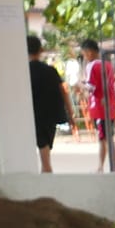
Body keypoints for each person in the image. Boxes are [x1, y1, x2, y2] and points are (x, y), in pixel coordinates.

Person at [25, 35, 72, 174]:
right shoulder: (51, 70)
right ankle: (46, 173)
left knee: (43, 152)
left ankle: (47, 174)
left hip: (33, 116)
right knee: (45, 151)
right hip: (50, 116)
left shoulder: (23, 71)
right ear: (41, 50)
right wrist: (70, 112)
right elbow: (63, 91)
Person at [80, 38, 115, 173]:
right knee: (108, 137)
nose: (84, 57)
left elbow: (91, 87)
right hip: (110, 105)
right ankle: (112, 165)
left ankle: (102, 166)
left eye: (84, 54)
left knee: (103, 139)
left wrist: (80, 85)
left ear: (89, 52)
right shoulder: (108, 65)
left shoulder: (92, 66)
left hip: (99, 107)